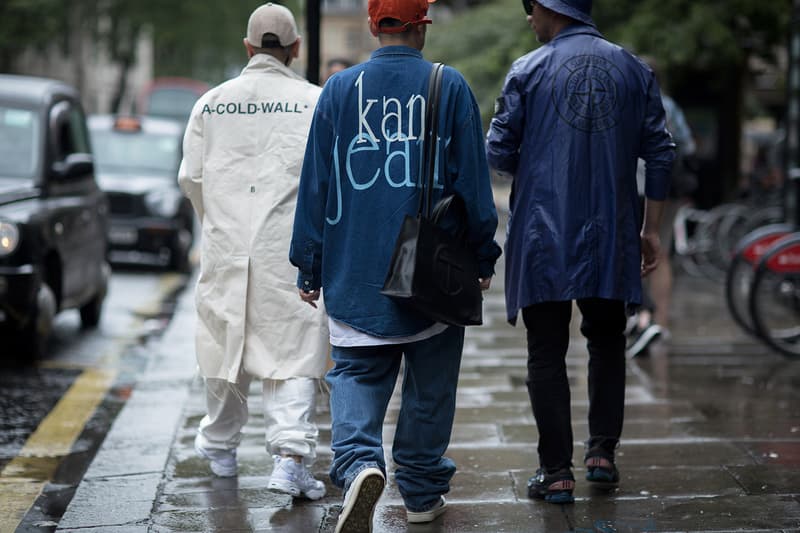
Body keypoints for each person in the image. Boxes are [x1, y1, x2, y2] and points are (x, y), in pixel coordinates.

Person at [290, 0, 502, 530]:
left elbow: (315, 185)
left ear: (372, 26)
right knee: (430, 384)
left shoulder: (338, 91)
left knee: (357, 375)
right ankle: (423, 491)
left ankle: (360, 463)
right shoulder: (448, 86)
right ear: (420, 27)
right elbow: (474, 184)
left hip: (354, 265)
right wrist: (483, 252)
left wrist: (309, 264)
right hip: (433, 269)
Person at [486, 0, 675, 504]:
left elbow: (499, 154)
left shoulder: (527, 70)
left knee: (545, 349)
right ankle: (601, 454)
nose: (529, 18)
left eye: (532, 8)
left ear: (552, 9)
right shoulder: (634, 69)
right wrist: (650, 229)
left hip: (542, 235)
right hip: (611, 231)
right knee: (608, 341)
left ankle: (555, 472)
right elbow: (659, 152)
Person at [177, 2, 330, 500]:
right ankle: (289, 457)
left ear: (247, 47)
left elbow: (191, 179)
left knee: (225, 345)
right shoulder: (315, 101)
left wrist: (217, 221)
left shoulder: (212, 103)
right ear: (295, 49)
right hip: (287, 249)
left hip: (227, 245)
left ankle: (219, 447)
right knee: (294, 350)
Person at [627, 58, 698, 358]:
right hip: (666, 191)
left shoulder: (625, 101)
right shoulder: (669, 105)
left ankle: (640, 317)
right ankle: (661, 320)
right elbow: (689, 146)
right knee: (661, 252)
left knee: (630, 250)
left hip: (632, 188)